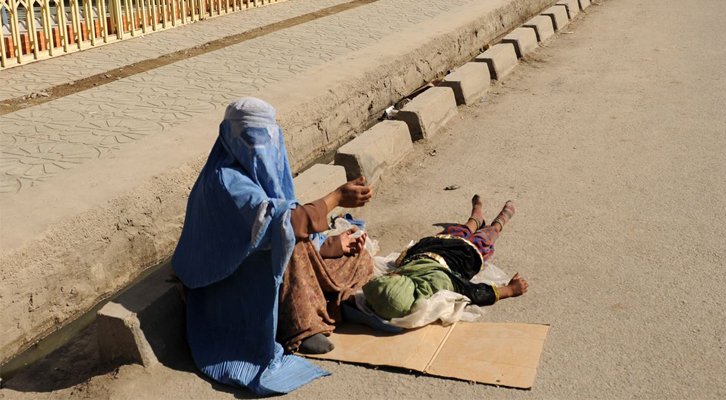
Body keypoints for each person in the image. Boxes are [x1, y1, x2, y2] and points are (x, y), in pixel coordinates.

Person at [171, 97, 373, 395]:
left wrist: (332, 244)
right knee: (287, 232)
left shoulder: (265, 175)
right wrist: (336, 198)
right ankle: (303, 327)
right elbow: (283, 222)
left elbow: (290, 214)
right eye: (252, 139)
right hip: (232, 287)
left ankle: (332, 304)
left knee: (360, 259)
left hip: (272, 265)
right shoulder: (225, 181)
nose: (261, 148)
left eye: (267, 139)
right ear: (228, 137)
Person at [363, 195, 528, 320]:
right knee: (468, 235)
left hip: (453, 252)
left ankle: (480, 220)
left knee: (477, 238)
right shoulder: (424, 280)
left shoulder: (433, 285)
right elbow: (473, 292)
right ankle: (493, 222)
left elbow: (472, 293)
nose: (390, 275)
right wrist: (509, 290)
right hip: (439, 248)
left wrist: (510, 290)